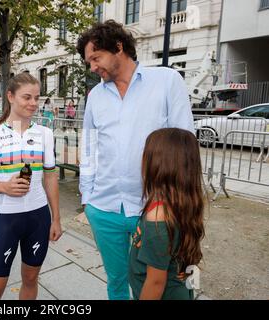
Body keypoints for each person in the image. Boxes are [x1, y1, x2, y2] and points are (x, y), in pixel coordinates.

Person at [76, 20, 194, 300]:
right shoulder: (95, 96)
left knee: (154, 284)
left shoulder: (166, 81)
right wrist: (87, 197)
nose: (92, 67)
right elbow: (90, 148)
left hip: (154, 209)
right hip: (104, 208)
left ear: (118, 47)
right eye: (88, 61)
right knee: (116, 280)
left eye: (96, 57)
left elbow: (184, 145)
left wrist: (175, 202)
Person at [0, 73, 62, 300]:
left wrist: (56, 218)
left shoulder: (45, 134)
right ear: (10, 96)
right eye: (26, 97)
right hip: (7, 219)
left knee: (30, 280)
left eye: (36, 98)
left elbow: (50, 178)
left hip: (39, 218)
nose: (33, 103)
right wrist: (3, 188)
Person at [129, 128, 205, 300]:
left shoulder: (159, 217)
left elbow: (156, 283)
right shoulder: (182, 202)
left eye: (146, 154)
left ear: (159, 164)